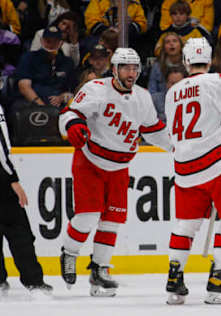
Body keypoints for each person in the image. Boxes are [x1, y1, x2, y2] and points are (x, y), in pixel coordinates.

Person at [57, 47, 171, 297]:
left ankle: (100, 271)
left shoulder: (142, 97)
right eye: (126, 68)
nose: (131, 73)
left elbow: (154, 131)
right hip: (90, 161)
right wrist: (73, 126)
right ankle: (70, 252)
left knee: (113, 220)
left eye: (135, 68)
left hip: (120, 167)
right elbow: (69, 113)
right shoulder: (96, 89)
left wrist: (180, 147)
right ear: (115, 69)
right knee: (88, 216)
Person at [164, 37, 221, 305]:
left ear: (186, 61)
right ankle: (218, 279)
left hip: (185, 168)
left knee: (186, 223)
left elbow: (171, 134)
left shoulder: (172, 91)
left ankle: (174, 279)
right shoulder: (220, 81)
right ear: (210, 59)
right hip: (218, 164)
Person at [0, 104, 53, 296]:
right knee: (18, 229)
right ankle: (34, 282)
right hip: (2, 178)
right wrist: (12, 179)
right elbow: (1, 148)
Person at [15, 25, 75, 107]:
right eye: (48, 41)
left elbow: (71, 90)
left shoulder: (68, 62)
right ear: (42, 41)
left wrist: (62, 97)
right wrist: (42, 107)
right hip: (32, 104)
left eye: (55, 41)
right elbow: (24, 87)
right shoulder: (28, 58)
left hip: (58, 105)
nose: (51, 45)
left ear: (61, 43)